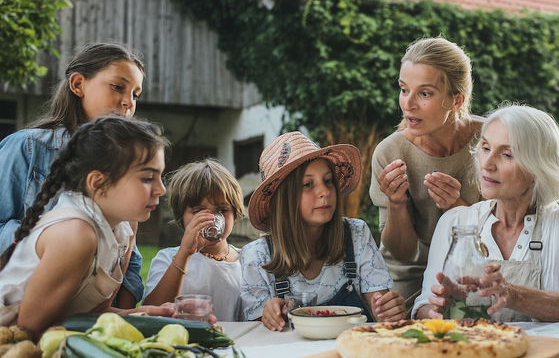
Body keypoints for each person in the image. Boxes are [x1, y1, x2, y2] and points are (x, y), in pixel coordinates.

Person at [413, 104, 559, 322]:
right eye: (486, 148)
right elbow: (423, 308)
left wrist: (514, 295)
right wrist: (440, 310)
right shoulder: (455, 221)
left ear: (537, 168)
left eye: (507, 154)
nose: (487, 164)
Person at [0, 43, 148, 308]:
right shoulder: (26, 148)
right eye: (118, 87)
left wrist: (114, 322)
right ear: (78, 84)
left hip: (87, 319)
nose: (128, 102)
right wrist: (53, 241)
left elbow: (130, 259)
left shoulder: (120, 169)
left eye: (136, 95)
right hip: (17, 310)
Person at [0, 117, 174, 338]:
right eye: (148, 178)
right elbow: (30, 330)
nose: (162, 189)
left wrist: (140, 314)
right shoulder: (75, 235)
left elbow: (94, 314)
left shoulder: (124, 229)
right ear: (98, 183)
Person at [242, 132, 406, 331]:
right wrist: (268, 316)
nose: (324, 192)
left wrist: (389, 311)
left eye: (328, 181)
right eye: (307, 184)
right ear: (284, 200)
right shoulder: (257, 257)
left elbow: (381, 311)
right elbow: (255, 338)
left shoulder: (356, 234)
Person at [370, 37, 484, 314]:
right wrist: (396, 203)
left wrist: (459, 211)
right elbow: (402, 253)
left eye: (425, 93)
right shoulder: (390, 152)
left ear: (456, 100)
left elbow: (507, 236)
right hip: (410, 280)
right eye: (403, 89)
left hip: (475, 271)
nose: (407, 104)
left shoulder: (488, 141)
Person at [143, 159, 246, 321]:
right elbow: (152, 312)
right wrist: (184, 254)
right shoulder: (168, 258)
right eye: (198, 212)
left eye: (222, 210)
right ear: (181, 216)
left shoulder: (246, 261)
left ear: (235, 213)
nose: (211, 220)